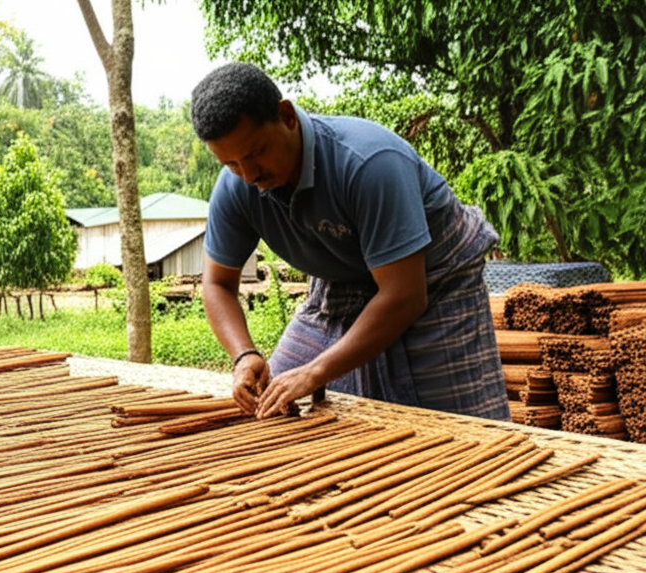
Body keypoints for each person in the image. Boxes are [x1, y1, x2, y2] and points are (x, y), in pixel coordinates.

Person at [191, 62, 509, 421]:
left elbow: (404, 295)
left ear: (287, 116)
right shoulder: (236, 187)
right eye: (231, 163)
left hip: (433, 282)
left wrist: (316, 372)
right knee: (272, 408)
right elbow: (217, 284)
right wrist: (244, 355)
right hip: (339, 287)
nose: (248, 175)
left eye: (255, 153)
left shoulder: (369, 163)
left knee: (458, 433)